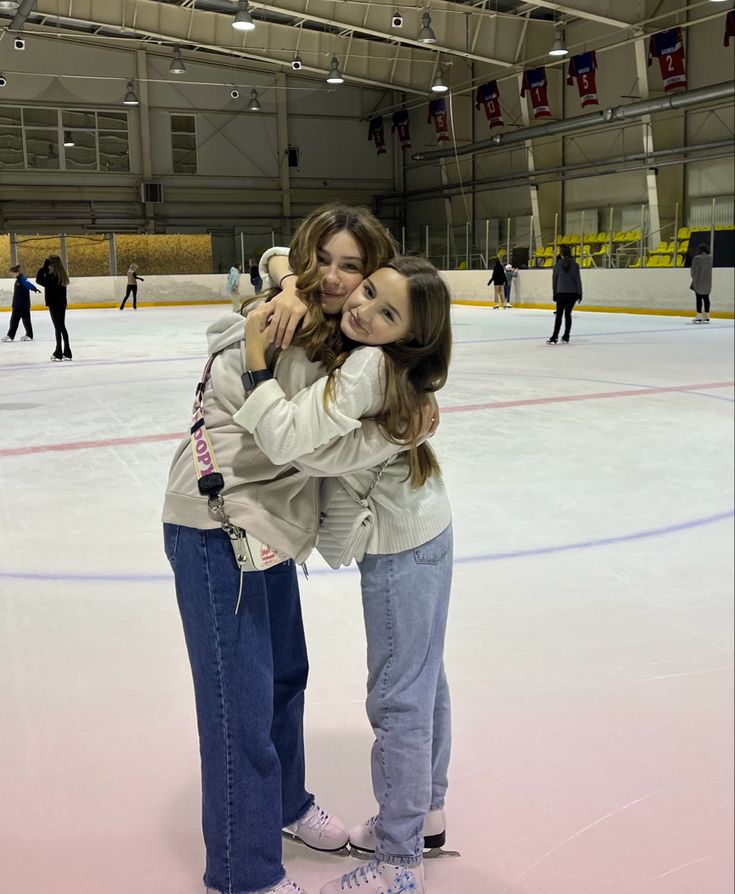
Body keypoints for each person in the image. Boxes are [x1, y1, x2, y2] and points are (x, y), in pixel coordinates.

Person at [162, 204, 399, 894]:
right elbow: (296, 443)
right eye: (320, 261)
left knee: (282, 681)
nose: (331, 277)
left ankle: (285, 804)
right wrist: (393, 435)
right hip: (217, 523)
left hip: (268, 529)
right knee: (238, 708)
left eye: (349, 265)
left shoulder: (340, 333)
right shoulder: (280, 318)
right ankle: (243, 873)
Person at [241, 255, 453, 894]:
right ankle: (427, 816)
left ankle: (399, 859)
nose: (361, 308)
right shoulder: (392, 367)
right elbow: (283, 255)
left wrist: (257, 362)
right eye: (367, 292)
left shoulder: (367, 366)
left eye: (386, 312)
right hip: (427, 530)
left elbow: (284, 437)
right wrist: (283, 276)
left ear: (409, 336)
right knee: (424, 680)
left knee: (398, 697)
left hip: (398, 547)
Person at [36, 255, 72, 361]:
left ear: (51, 264)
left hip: (54, 304)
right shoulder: (62, 276)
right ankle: (67, 352)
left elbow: (39, 280)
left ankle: (58, 352)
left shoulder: (52, 277)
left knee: (57, 328)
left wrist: (43, 268)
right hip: (61, 304)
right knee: (62, 327)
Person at [547, 244, 582, 344]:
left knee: (559, 315)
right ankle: (566, 336)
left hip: (561, 293)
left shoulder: (557, 266)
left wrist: (555, 293)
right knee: (568, 314)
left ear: (561, 254)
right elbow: (578, 280)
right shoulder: (575, 265)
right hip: (572, 293)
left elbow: (555, 281)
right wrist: (579, 293)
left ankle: (554, 337)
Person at [2, 264, 40, 342]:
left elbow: (28, 285)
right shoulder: (19, 279)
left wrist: (34, 288)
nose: (11, 275)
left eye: (12, 273)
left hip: (21, 305)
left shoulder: (22, 279)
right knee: (21, 321)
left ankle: (13, 335)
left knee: (17, 321)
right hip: (20, 305)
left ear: (16, 273)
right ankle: (25, 334)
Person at [690, 243, 713, 324]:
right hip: (708, 281)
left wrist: (694, 277)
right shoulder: (710, 258)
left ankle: (699, 316)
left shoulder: (696, 258)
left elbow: (693, 271)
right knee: (706, 298)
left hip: (698, 280)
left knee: (698, 298)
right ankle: (707, 316)